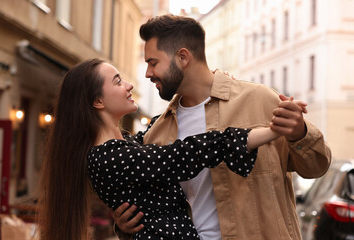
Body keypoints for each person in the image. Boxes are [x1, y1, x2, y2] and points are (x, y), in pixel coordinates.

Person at [112, 15, 332, 240]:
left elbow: (317, 166)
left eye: (153, 62)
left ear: (182, 57)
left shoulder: (260, 100)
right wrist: (125, 226)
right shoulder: (157, 131)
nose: (148, 73)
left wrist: (300, 133)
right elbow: (152, 209)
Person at [37, 58, 297, 240]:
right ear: (97, 101)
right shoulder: (109, 156)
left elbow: (163, 126)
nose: (128, 85)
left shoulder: (125, 146)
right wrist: (272, 132)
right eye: (117, 82)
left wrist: (208, 87)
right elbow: (183, 155)